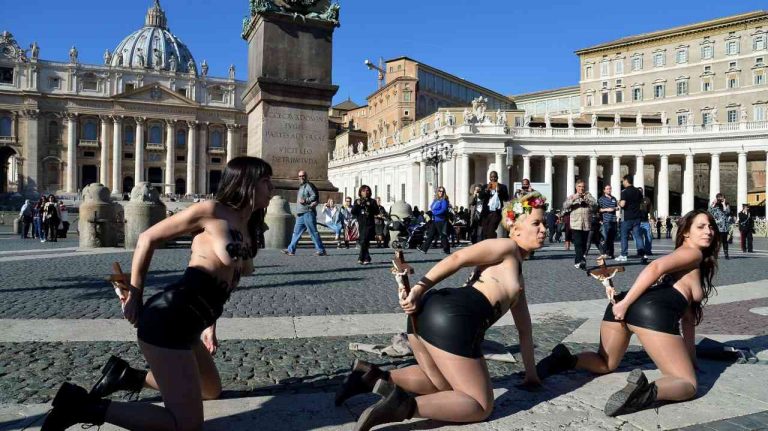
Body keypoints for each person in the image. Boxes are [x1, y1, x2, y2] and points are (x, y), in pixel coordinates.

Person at [42, 156, 273, 431]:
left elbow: (224, 282)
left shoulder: (248, 228)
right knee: (186, 424)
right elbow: (147, 238)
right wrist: (136, 294)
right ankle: (82, 406)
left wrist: (210, 327)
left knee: (211, 390)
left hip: (193, 324)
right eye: (266, 182)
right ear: (246, 183)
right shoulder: (211, 210)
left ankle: (127, 377)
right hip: (169, 320)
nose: (272, 189)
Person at [338, 192, 548, 430]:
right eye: (536, 223)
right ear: (515, 228)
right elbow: (458, 257)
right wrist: (418, 288)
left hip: (430, 314)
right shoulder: (506, 246)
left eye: (544, 223)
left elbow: (525, 331)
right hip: (452, 318)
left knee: (442, 386)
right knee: (479, 405)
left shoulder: (517, 277)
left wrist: (531, 375)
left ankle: (370, 376)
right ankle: (400, 406)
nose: (544, 229)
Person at [536, 209, 719, 417]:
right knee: (687, 383)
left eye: (711, 226)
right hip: (648, 312)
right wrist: (626, 304)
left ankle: (565, 360)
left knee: (605, 363)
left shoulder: (690, 261)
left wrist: (691, 358)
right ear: (686, 232)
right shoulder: (692, 253)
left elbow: (688, 319)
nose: (708, 231)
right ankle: (644, 392)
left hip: (623, 305)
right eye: (701, 227)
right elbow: (656, 267)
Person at [282, 170, 327, 256]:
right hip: (301, 214)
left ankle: (321, 250)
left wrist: (306, 200)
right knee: (296, 233)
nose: (301, 177)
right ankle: (291, 250)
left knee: (313, 232)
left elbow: (315, 196)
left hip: (308, 213)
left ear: (306, 176)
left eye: (303, 176)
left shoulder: (309, 185)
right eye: (299, 176)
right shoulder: (301, 187)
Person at [563, 179, 598, 269]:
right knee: (578, 243)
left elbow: (595, 205)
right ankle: (582, 260)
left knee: (583, 244)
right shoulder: (572, 196)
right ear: (576, 187)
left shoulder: (588, 196)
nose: (581, 188)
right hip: (575, 223)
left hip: (586, 223)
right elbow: (565, 206)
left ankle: (577, 261)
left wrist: (586, 199)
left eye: (583, 187)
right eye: (579, 186)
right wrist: (573, 199)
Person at [617, 175, 647, 264]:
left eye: (623, 181)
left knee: (624, 236)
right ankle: (643, 254)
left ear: (626, 181)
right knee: (638, 236)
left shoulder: (624, 192)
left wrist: (618, 202)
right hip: (637, 217)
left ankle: (623, 255)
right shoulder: (638, 191)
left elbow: (622, 204)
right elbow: (641, 203)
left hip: (627, 217)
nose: (622, 183)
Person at [352, 185, 379, 264]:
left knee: (364, 240)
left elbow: (376, 212)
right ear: (360, 192)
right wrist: (357, 205)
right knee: (364, 241)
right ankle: (367, 257)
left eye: (367, 190)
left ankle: (361, 257)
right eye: (363, 191)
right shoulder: (357, 201)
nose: (365, 192)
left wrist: (369, 205)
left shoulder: (372, 201)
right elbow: (353, 212)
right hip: (361, 223)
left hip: (369, 224)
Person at [419, 187, 450, 255]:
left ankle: (447, 249)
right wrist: (431, 212)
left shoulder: (444, 201)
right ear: (437, 192)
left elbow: (443, 210)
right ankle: (424, 249)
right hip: (435, 220)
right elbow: (432, 207)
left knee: (443, 235)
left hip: (441, 220)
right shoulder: (435, 200)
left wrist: (434, 212)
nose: (441, 192)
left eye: (442, 191)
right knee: (431, 234)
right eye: (439, 191)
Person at [479, 171, 509, 240]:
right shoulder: (485, 186)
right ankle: (488, 245)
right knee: (485, 232)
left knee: (491, 230)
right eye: (491, 177)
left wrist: (499, 191)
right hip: (486, 212)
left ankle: (492, 246)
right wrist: (486, 190)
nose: (493, 178)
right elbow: (480, 197)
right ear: (489, 178)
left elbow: (506, 198)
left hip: (496, 212)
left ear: (497, 177)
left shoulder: (503, 187)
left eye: (495, 177)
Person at [598, 185, 619, 259]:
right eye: (607, 189)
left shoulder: (614, 198)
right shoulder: (601, 199)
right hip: (606, 221)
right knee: (605, 238)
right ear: (604, 190)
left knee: (612, 238)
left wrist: (615, 208)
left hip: (613, 220)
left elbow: (617, 207)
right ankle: (605, 252)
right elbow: (598, 209)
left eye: (610, 189)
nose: (609, 190)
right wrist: (606, 209)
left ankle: (611, 253)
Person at [708, 193, 730, 259]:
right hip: (717, 227)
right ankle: (715, 254)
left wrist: (724, 205)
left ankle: (726, 254)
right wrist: (713, 203)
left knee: (725, 241)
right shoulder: (715, 207)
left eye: (722, 198)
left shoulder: (726, 205)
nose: (721, 200)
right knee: (716, 241)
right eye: (719, 198)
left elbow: (727, 212)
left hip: (724, 228)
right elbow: (708, 212)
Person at [639, 189, 654, 256]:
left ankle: (648, 250)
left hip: (645, 221)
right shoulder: (633, 200)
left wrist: (652, 217)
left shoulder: (647, 199)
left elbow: (651, 209)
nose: (639, 193)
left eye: (641, 191)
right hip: (637, 221)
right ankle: (640, 251)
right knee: (638, 238)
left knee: (648, 236)